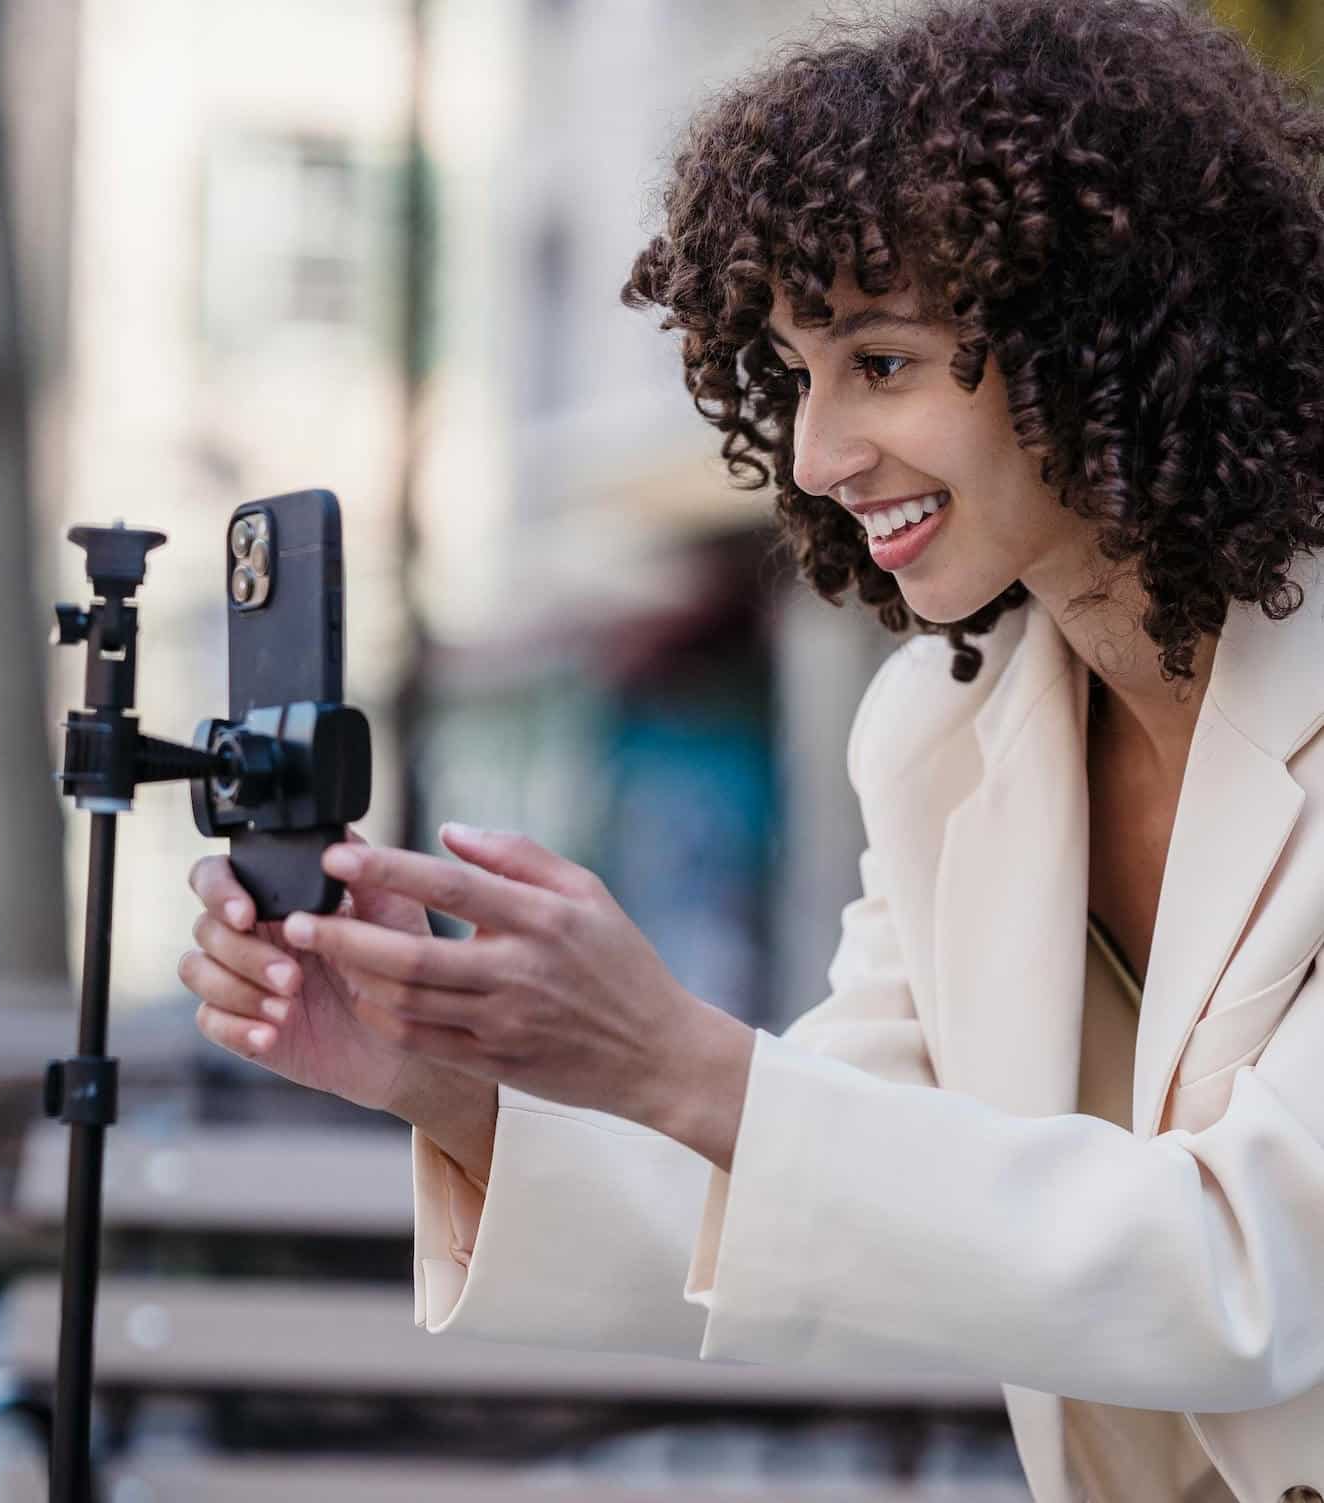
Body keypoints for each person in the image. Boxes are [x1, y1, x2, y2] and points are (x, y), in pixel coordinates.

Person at [179, 1, 1324, 1497]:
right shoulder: (942, 735)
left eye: (884, 362)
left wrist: (679, 1053)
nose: (815, 454)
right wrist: (447, 1076)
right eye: (794, 375)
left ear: (1104, 337)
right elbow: (839, 1202)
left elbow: (1255, 1270)